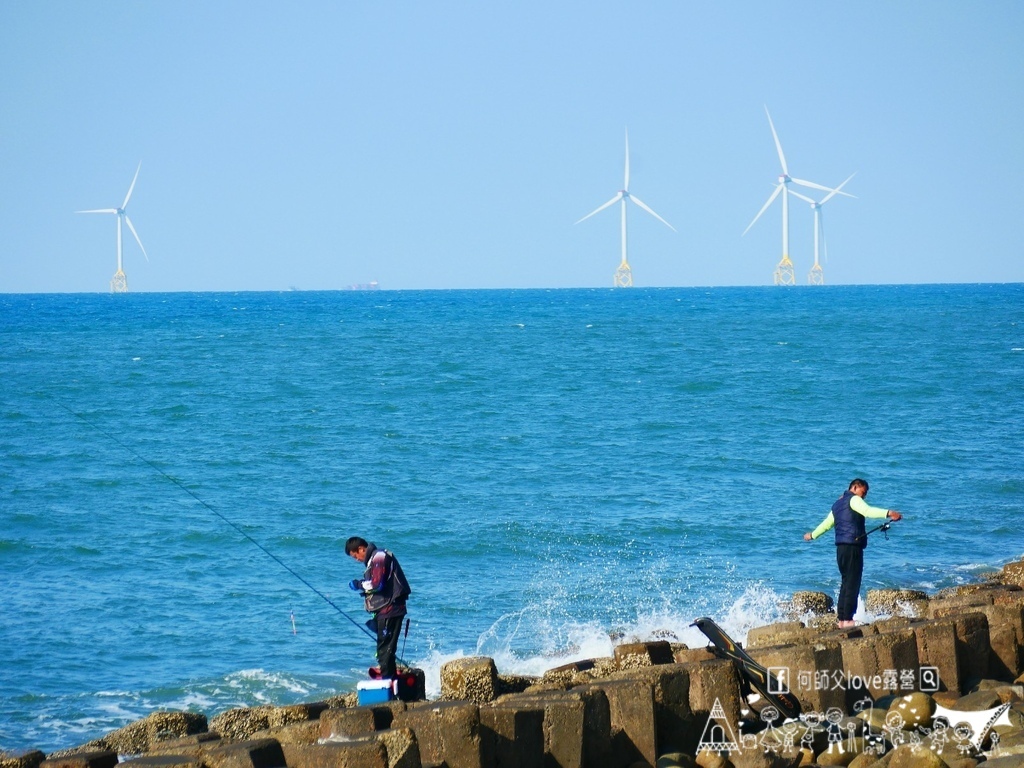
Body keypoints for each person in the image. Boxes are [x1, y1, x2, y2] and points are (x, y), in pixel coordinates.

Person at [803, 479, 902, 628]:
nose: (863, 497)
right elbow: (868, 511)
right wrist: (889, 513)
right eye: (863, 493)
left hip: (841, 549)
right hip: (852, 547)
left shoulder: (837, 505)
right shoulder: (854, 499)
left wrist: (813, 535)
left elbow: (827, 524)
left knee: (845, 582)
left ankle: (842, 620)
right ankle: (848, 620)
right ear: (855, 487)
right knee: (852, 583)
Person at [345, 536, 411, 679]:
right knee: (385, 649)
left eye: (355, 555)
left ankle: (388, 684)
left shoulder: (379, 556)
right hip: (387, 610)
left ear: (361, 549)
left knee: (385, 651)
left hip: (390, 609)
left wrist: (358, 584)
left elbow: (376, 584)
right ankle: (391, 680)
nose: (356, 559)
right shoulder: (374, 559)